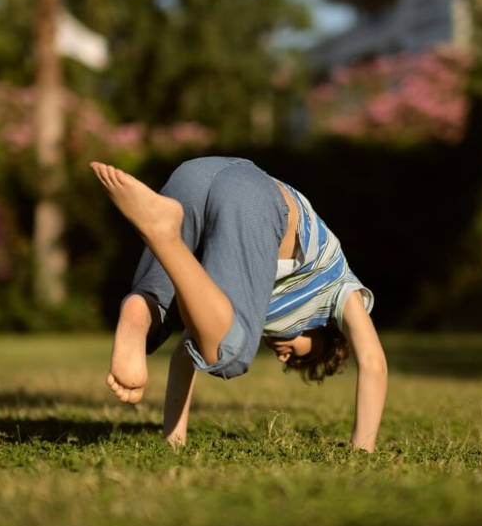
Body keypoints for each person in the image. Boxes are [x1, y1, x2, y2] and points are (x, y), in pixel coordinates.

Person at [90, 157, 387, 452]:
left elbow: (185, 357)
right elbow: (373, 363)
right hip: (253, 198)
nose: (283, 359)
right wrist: (362, 448)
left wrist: (174, 440)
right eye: (300, 358)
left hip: (197, 174)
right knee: (229, 352)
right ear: (326, 332)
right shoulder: (339, 288)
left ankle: (140, 311)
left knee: (174, 310)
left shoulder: (254, 296)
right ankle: (164, 236)